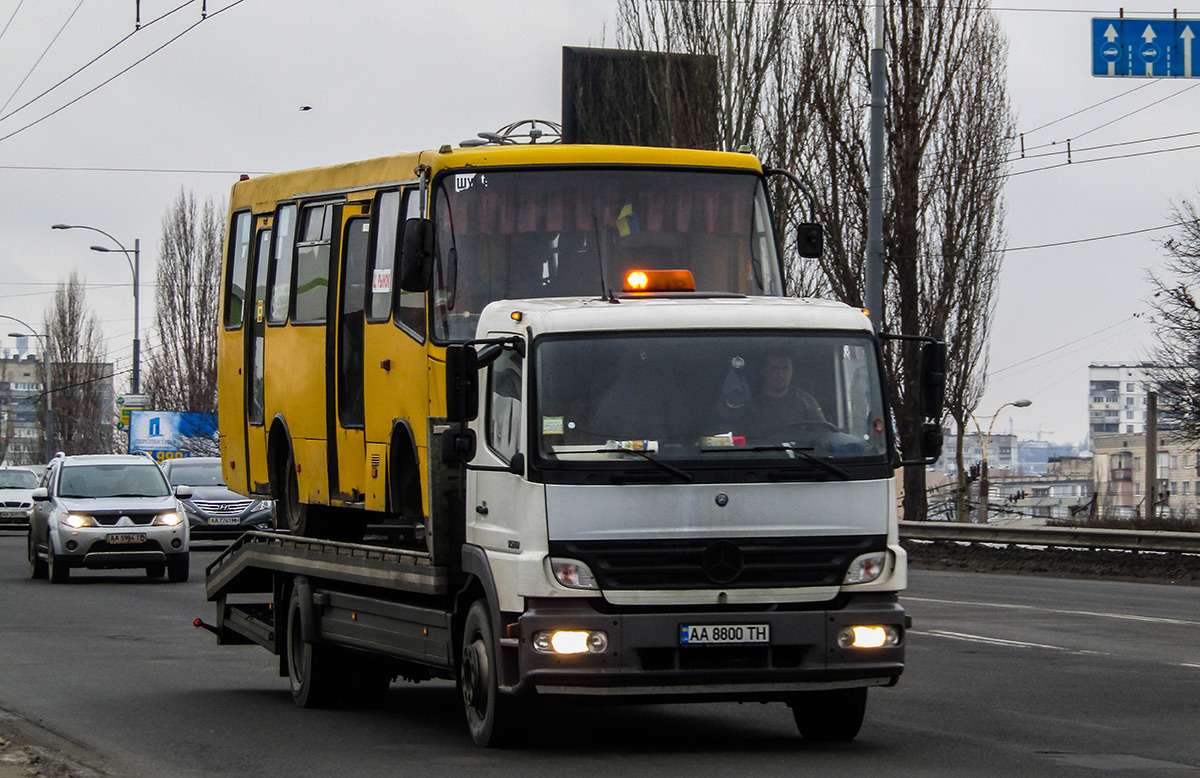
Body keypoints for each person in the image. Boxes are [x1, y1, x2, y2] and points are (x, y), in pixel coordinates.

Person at [725, 353, 826, 439]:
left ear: (792, 371)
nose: (780, 374)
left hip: (799, 458)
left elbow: (823, 435)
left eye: (785, 368)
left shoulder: (806, 402)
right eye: (774, 368)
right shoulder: (746, 402)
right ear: (764, 371)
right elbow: (733, 437)